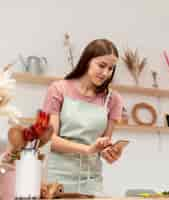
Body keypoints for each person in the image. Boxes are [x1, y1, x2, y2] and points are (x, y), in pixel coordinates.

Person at [42, 39, 124, 195]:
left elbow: (103, 145)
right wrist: (87, 149)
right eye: (101, 65)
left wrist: (110, 152)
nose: (106, 73)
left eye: (111, 68)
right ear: (87, 61)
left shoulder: (113, 100)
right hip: (56, 180)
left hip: (91, 181)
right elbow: (49, 139)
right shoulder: (58, 89)